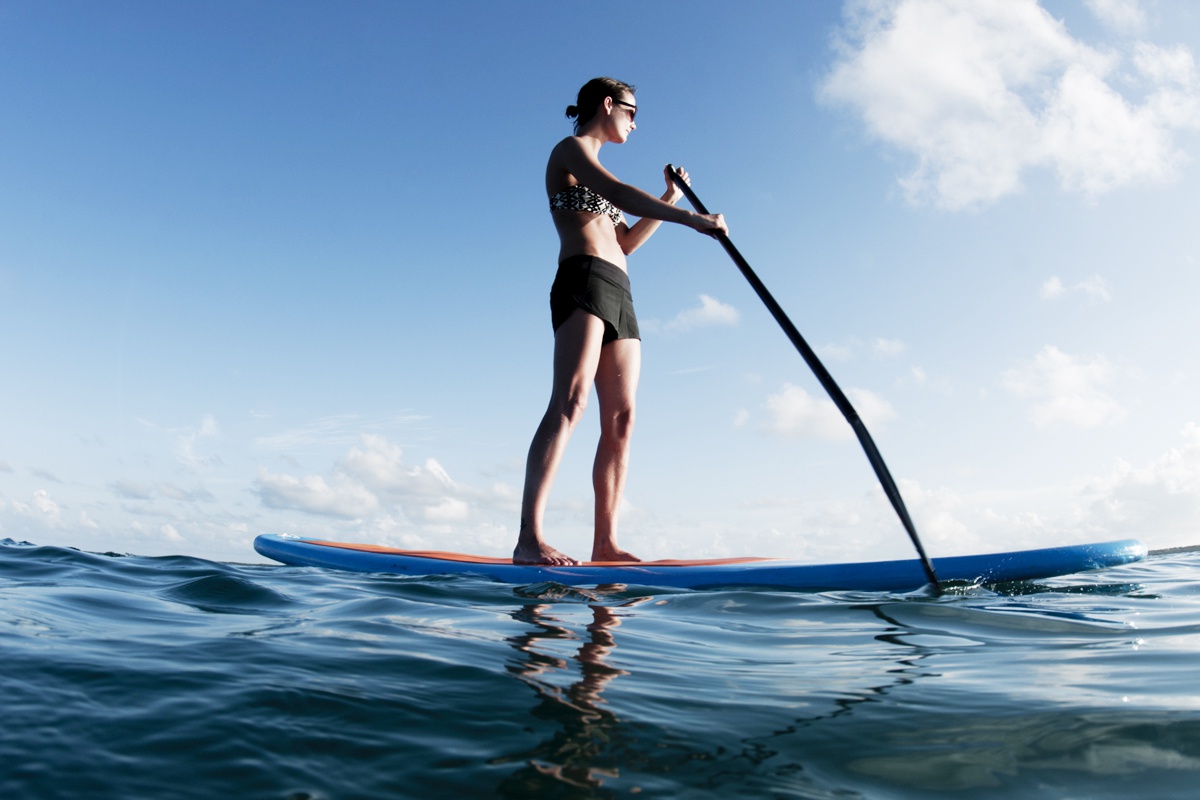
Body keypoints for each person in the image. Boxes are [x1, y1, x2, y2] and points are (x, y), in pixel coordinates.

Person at [513, 77, 728, 566]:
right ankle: (529, 538)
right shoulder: (569, 152)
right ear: (607, 105)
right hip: (583, 277)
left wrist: (671, 198)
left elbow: (627, 241)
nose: (635, 121)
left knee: (623, 419)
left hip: (620, 289)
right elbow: (616, 190)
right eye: (631, 111)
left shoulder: (597, 175)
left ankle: (605, 544)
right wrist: (693, 221)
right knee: (571, 402)